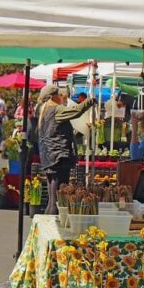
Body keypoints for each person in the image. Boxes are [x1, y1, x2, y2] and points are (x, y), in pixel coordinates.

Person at [35, 85, 93, 214]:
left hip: (49, 156)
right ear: (53, 97)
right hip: (59, 156)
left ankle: (47, 225)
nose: (61, 97)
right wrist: (90, 101)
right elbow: (76, 111)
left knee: (52, 196)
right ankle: (53, 227)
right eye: (59, 95)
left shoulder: (42, 111)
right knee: (58, 196)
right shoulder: (56, 110)